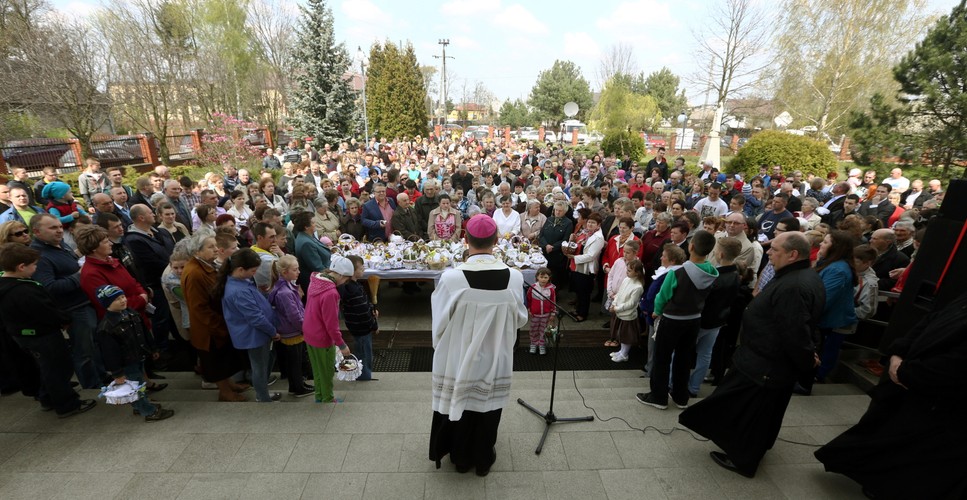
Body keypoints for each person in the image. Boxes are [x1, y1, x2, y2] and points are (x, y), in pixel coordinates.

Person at [679, 232, 825, 478]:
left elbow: (795, 330)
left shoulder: (795, 286)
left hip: (766, 366)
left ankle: (744, 459)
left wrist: (807, 358)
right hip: (763, 361)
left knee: (755, 415)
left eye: (775, 249)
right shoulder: (800, 276)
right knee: (759, 411)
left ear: (793, 254)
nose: (768, 252)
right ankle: (748, 446)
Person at [814, 291, 967, 499]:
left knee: (910, 458)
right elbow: (929, 321)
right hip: (910, 387)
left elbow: (955, 365)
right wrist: (898, 353)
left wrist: (905, 371)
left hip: (936, 402)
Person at [428, 214, 528, 476]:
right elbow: (520, 319)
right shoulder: (514, 277)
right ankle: (483, 459)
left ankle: (460, 460)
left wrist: (442, 348)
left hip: (459, 354)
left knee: (461, 403)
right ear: (496, 241)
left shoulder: (452, 278)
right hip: (496, 353)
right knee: (488, 407)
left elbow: (439, 322)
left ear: (465, 239)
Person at [0, 243, 97, 418]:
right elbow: (46, 312)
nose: (36, 269)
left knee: (47, 367)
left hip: (27, 335)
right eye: (33, 265)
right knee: (58, 369)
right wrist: (64, 319)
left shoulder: (7, 282)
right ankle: (67, 404)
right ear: (21, 267)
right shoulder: (23, 291)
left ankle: (47, 397)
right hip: (42, 335)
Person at [637, 230, 719, 410]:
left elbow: (662, 296)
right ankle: (681, 396)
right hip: (694, 319)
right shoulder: (712, 272)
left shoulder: (678, 272)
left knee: (662, 358)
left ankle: (658, 397)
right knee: (684, 358)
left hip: (672, 319)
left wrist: (656, 311)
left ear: (691, 246)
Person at [30, 213, 105, 389]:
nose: (59, 231)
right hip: (74, 309)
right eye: (52, 228)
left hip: (85, 304)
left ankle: (102, 378)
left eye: (59, 226)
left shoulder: (59, 245)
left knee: (93, 345)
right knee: (84, 350)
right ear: (37, 231)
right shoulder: (39, 256)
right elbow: (49, 287)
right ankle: (92, 386)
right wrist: (80, 276)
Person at [182, 230, 250, 401]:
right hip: (209, 328)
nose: (215, 249)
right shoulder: (195, 272)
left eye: (215, 245)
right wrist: (218, 325)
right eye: (210, 246)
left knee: (224, 359)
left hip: (217, 322)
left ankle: (230, 385)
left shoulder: (206, 264)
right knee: (216, 361)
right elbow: (199, 308)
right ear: (197, 250)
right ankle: (225, 392)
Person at [94, 284, 175, 421]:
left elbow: (144, 333)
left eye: (123, 297)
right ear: (107, 303)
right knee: (134, 388)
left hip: (138, 357)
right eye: (117, 299)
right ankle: (149, 412)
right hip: (126, 364)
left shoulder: (131, 313)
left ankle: (140, 406)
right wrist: (117, 373)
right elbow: (110, 354)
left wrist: (153, 348)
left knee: (140, 383)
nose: (122, 300)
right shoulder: (106, 328)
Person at [217, 249, 281, 403]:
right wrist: (273, 332)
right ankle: (263, 397)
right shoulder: (238, 291)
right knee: (259, 367)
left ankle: (263, 393)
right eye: (253, 270)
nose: (255, 273)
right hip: (255, 334)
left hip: (257, 332)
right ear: (240, 270)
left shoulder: (238, 282)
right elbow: (256, 318)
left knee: (262, 364)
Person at [688, 237, 741, 397]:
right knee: (705, 354)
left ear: (721, 254)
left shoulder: (716, 278)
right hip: (718, 320)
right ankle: (694, 387)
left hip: (703, 320)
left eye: (717, 250)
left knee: (685, 352)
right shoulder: (735, 274)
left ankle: (675, 383)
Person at [809, 231, 859, 387]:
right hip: (827, 320)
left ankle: (817, 377)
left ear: (835, 247)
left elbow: (824, 299)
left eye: (825, 242)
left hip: (832, 322)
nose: (821, 245)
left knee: (826, 352)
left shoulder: (838, 270)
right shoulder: (831, 264)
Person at [303, 255, 354, 403]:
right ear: (339, 275)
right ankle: (327, 398)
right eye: (346, 279)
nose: (345, 282)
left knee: (317, 369)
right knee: (327, 371)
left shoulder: (316, 280)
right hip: (322, 337)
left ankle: (319, 395)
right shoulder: (331, 293)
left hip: (309, 331)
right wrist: (342, 345)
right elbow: (331, 324)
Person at [268, 255, 313, 397]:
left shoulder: (286, 287)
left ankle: (297, 384)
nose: (298, 272)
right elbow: (293, 315)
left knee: (296, 361)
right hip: (292, 331)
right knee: (295, 362)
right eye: (295, 269)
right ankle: (297, 388)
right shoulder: (285, 292)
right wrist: (304, 328)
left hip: (292, 330)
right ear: (284, 272)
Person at [338, 255, 379, 382]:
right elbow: (362, 312)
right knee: (364, 355)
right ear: (352, 271)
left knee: (361, 351)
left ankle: (362, 374)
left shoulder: (351, 286)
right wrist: (373, 325)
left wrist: (371, 309)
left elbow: (363, 306)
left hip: (355, 326)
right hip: (362, 328)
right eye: (361, 268)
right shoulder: (353, 290)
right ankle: (363, 377)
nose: (363, 270)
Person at [567, 212, 605, 322]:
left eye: (593, 223)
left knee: (584, 292)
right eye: (589, 222)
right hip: (577, 265)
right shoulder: (585, 232)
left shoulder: (598, 238)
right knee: (578, 291)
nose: (590, 224)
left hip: (586, 268)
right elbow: (577, 245)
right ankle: (577, 310)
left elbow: (591, 256)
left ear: (598, 225)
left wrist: (574, 257)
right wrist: (572, 239)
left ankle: (583, 314)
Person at [608, 259, 646, 363]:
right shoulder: (626, 280)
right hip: (620, 312)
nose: (627, 272)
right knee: (621, 334)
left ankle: (624, 354)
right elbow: (619, 294)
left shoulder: (638, 287)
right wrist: (614, 303)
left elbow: (631, 304)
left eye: (629, 271)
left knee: (626, 336)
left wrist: (617, 308)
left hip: (628, 315)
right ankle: (621, 351)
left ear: (637, 273)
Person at [538, 201, 573, 289]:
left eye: (560, 211)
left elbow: (565, 239)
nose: (557, 212)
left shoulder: (568, 223)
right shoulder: (549, 219)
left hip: (557, 255)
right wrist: (546, 245)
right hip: (545, 252)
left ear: (564, 211)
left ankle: (554, 295)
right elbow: (541, 235)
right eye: (556, 210)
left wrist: (553, 247)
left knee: (555, 277)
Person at [526, 267, 556, 356]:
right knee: (534, 329)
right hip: (535, 314)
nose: (543, 279)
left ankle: (542, 344)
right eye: (541, 277)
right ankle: (533, 343)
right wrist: (529, 309)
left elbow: (553, 301)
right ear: (537, 277)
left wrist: (553, 313)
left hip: (546, 314)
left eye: (546, 277)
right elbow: (528, 299)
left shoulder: (551, 289)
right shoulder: (532, 288)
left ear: (549, 278)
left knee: (543, 330)